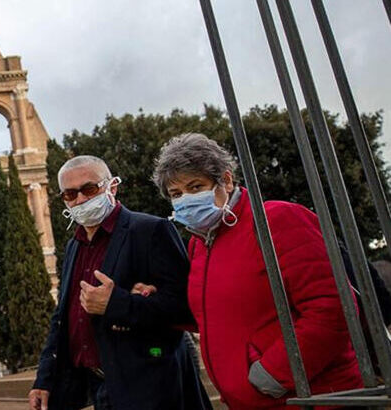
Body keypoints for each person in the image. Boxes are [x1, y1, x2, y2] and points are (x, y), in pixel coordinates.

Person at [150, 133, 362, 409]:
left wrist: (272, 374)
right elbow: (215, 313)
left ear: (225, 180)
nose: (185, 199)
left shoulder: (277, 220)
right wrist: (152, 299)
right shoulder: (199, 244)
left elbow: (333, 308)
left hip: (309, 398)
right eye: (176, 194)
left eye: (195, 186)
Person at [29, 155, 211, 410]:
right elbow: (62, 318)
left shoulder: (150, 230)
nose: (80, 200)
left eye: (89, 189)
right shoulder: (73, 246)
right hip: (98, 386)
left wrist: (119, 303)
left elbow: (187, 306)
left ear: (111, 187)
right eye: (70, 195)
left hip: (151, 388)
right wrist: (45, 379)